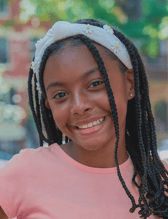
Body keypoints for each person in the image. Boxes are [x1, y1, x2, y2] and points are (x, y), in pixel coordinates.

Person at [0, 19, 168, 219]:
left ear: (129, 84)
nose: (79, 106)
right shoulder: (24, 173)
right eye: (60, 95)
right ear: (49, 106)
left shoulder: (160, 180)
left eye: (95, 83)